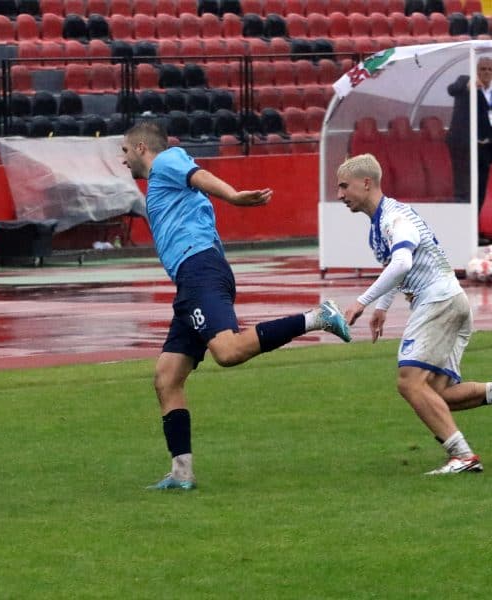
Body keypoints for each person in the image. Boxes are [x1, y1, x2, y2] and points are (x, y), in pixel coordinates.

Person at [122, 121, 351, 490]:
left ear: (141, 149)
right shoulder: (162, 183)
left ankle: (318, 317)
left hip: (199, 268)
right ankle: (181, 474)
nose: (123, 160)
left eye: (124, 151)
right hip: (190, 279)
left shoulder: (166, 161)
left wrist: (233, 196)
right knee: (167, 378)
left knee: (227, 351)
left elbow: (200, 176)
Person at [339, 153, 492, 475]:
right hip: (450, 299)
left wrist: (363, 301)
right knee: (438, 396)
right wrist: (382, 307)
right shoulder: (380, 222)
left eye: (344, 186)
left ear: (366, 183)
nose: (340, 195)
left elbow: (403, 263)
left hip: (438, 301)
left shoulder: (394, 218)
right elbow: (398, 267)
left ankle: (462, 456)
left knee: (409, 383)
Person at [447, 56, 492, 216]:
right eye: (482, 69)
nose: (486, 72)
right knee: (464, 189)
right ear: (476, 70)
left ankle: (474, 229)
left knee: (480, 190)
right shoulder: (465, 81)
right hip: (464, 145)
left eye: (489, 69)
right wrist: (468, 85)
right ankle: (461, 227)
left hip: (485, 149)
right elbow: (451, 89)